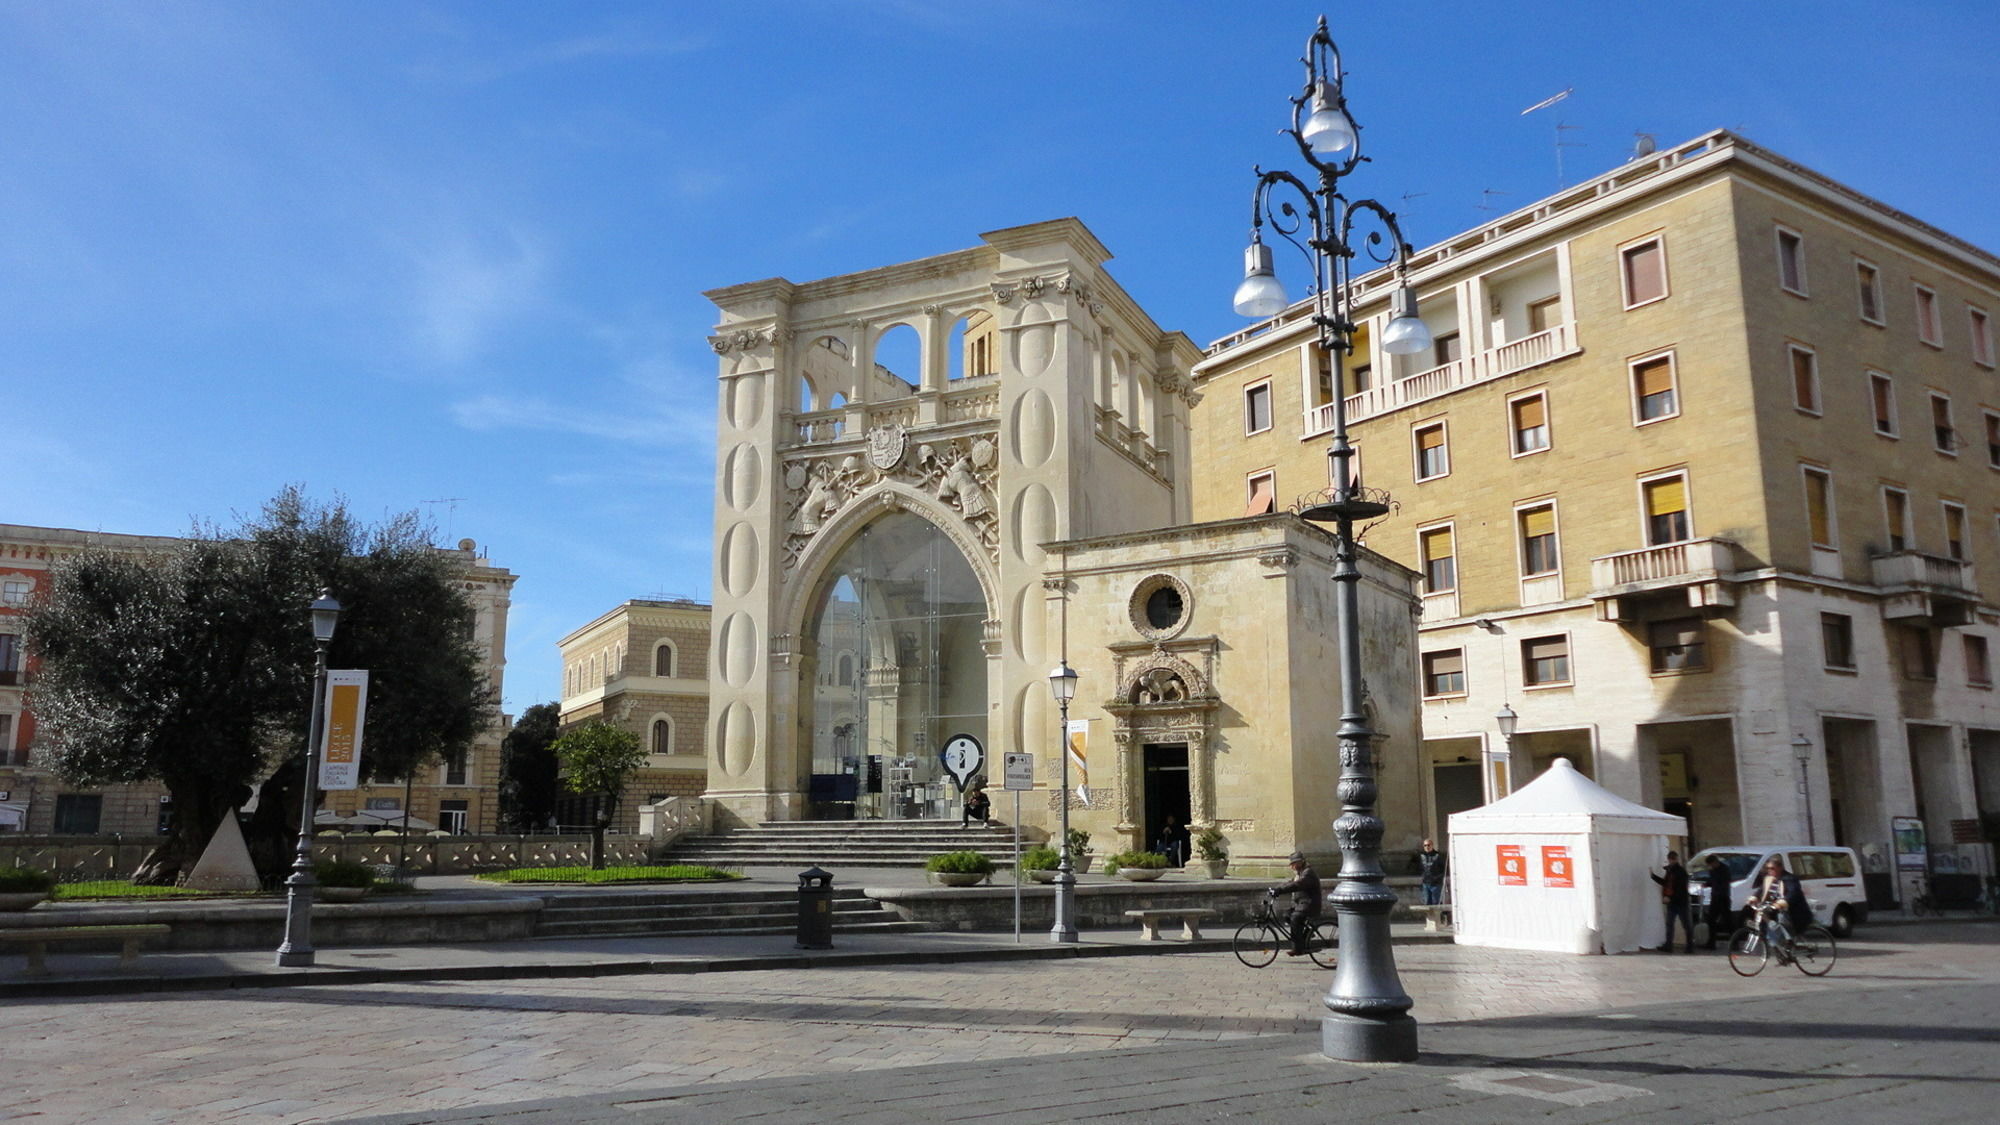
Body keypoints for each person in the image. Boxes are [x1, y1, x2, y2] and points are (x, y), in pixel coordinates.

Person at [1747, 855, 1812, 960]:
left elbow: (1793, 893)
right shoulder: (1769, 880)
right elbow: (1761, 890)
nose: (1770, 871)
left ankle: (1788, 941)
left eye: (1772, 868)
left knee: (1781, 918)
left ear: (1780, 868)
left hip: (1795, 914)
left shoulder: (1790, 879)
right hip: (1777, 911)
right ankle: (1779, 946)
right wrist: (1754, 897)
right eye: (1768, 868)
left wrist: (1782, 902)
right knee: (1766, 920)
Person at [1269, 851, 1322, 957]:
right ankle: (1305, 936)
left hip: (1310, 904)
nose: (1292, 867)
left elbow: (1297, 885)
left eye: (1293, 864)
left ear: (1300, 862)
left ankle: (1298, 948)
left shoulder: (1307, 873)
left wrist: (1279, 890)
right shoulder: (1300, 873)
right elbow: (1290, 883)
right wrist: (1276, 889)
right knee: (1286, 914)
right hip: (1303, 904)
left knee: (1295, 918)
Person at [1651, 850, 1694, 953]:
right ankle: (1669, 945)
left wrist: (1670, 897)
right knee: (1671, 924)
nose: (1670, 862)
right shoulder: (1671, 871)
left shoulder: (1680, 872)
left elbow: (1680, 889)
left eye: (1671, 860)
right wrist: (1653, 876)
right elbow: (1666, 883)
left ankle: (1689, 946)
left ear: (1673, 859)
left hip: (1680, 902)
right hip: (1674, 902)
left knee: (1685, 924)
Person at [1701, 855, 1732, 951]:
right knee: (1711, 920)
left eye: (1711, 864)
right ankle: (1711, 943)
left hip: (1723, 898)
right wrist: (1706, 884)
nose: (1710, 867)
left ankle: (1734, 942)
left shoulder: (1724, 869)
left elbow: (1724, 883)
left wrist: (1716, 887)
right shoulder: (1713, 871)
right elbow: (1712, 881)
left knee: (1728, 921)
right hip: (1714, 898)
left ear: (1715, 862)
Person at [1417, 838, 1448, 906]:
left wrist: (1437, 878)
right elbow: (1418, 868)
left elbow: (1444, 869)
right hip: (1425, 883)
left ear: (1432, 845)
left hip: (1436, 884)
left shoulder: (1438, 856)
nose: (1427, 847)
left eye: (1428, 845)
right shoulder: (1421, 856)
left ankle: (1439, 916)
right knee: (1427, 903)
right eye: (1425, 845)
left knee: (1436, 903)